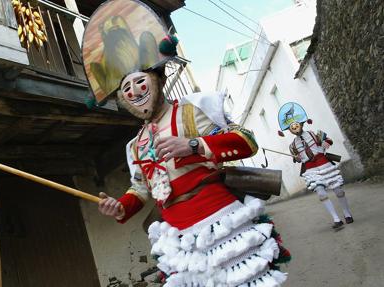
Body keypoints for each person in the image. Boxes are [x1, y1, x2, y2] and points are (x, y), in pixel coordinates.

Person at [83, 1, 290, 286]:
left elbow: (247, 142)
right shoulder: (135, 146)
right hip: (179, 238)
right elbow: (141, 189)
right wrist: (120, 207)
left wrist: (194, 146)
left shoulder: (192, 109)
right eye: (126, 89)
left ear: (157, 78)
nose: (133, 92)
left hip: (221, 221)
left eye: (139, 81)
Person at [278, 102, 354, 229]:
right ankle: (336, 219)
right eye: (292, 127)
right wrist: (296, 158)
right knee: (321, 193)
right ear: (289, 130)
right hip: (310, 169)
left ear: (301, 124)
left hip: (324, 164)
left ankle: (347, 214)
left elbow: (329, 140)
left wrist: (325, 143)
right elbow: (297, 159)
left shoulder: (314, 134)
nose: (295, 127)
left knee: (338, 190)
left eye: (296, 124)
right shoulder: (292, 146)